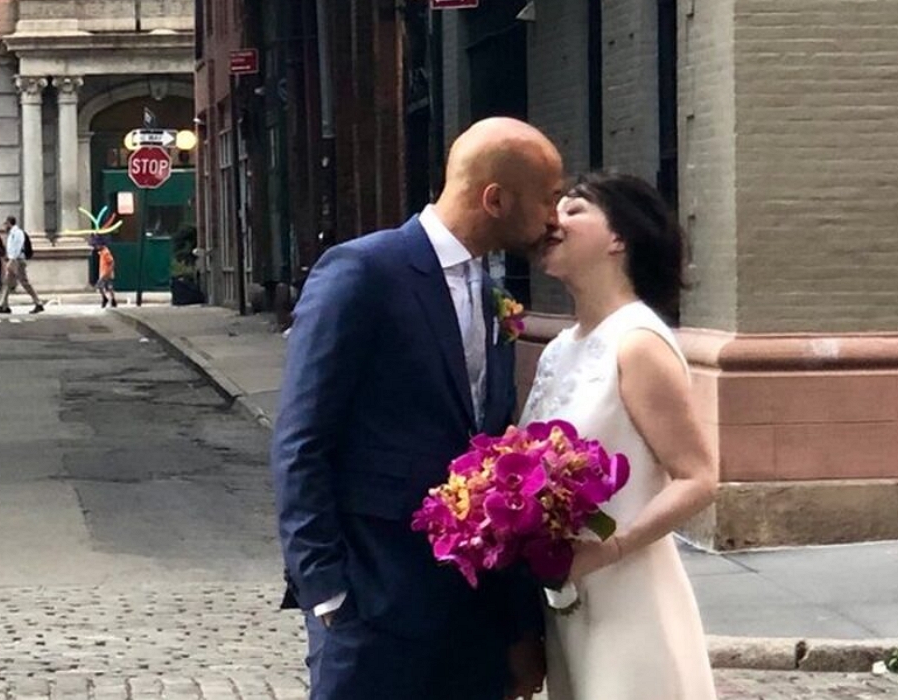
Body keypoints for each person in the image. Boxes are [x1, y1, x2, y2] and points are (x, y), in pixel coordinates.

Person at [271, 117, 565, 700]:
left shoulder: (490, 289)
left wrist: (516, 625)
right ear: (496, 198)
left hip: (471, 616)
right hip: (373, 604)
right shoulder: (362, 272)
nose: (555, 217)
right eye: (549, 199)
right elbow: (301, 441)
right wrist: (328, 593)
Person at [520, 171, 719, 700]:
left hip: (630, 599)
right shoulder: (561, 348)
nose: (553, 218)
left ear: (619, 239)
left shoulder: (637, 343)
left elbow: (697, 477)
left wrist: (610, 550)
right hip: (570, 602)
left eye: (575, 208)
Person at [0, 215, 44, 314]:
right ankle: (3, 305)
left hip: (17, 261)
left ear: (9, 223)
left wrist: (11, 260)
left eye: (5, 224)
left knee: (24, 282)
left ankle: (38, 303)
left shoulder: (17, 233)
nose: (4, 226)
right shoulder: (11, 233)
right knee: (7, 282)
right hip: (13, 260)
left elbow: (17, 247)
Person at [94, 237, 117, 308]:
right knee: (109, 287)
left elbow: (111, 262)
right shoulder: (102, 252)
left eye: (98, 245)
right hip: (105, 273)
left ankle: (106, 298)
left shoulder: (106, 252)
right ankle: (112, 300)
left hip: (105, 273)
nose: (97, 247)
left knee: (101, 286)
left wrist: (109, 271)